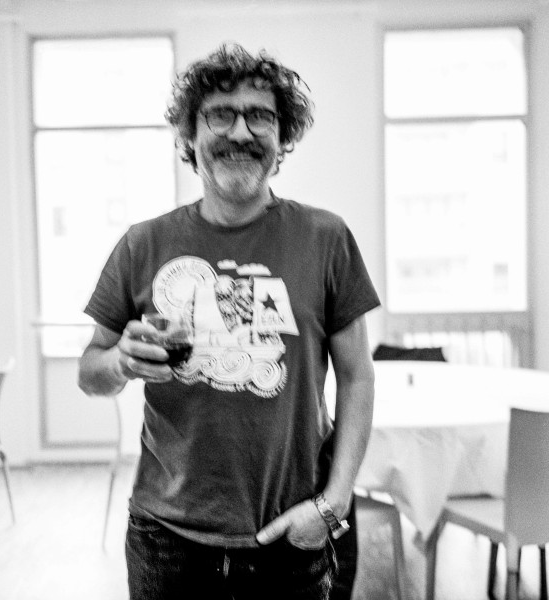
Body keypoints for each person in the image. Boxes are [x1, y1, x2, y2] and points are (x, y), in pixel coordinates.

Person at [78, 42, 380, 600]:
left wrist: (334, 502)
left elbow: (358, 376)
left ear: (282, 137)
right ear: (190, 136)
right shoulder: (143, 244)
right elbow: (90, 371)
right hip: (165, 539)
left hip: (290, 538)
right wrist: (119, 361)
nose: (241, 131)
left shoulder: (327, 238)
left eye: (260, 116)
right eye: (220, 114)